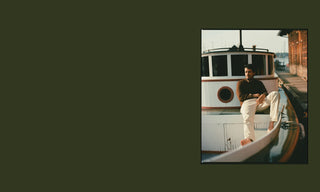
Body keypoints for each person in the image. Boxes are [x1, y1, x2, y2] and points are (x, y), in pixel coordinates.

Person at [236, 64, 280, 146]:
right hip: (247, 103)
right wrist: (254, 95)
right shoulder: (241, 83)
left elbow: (265, 92)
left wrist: (263, 95)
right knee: (247, 118)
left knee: (275, 94)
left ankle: (271, 124)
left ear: (253, 73)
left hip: (260, 104)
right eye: (246, 72)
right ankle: (249, 138)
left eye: (249, 72)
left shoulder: (258, 83)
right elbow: (241, 97)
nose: (247, 74)